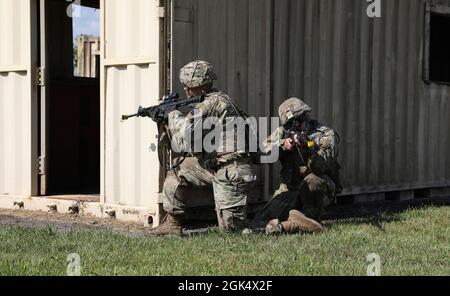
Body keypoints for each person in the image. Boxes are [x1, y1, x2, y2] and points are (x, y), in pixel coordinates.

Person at [148, 60, 257, 236]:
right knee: (179, 168)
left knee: (232, 234)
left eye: (187, 86)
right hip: (216, 166)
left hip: (232, 171)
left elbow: (185, 136)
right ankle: (173, 224)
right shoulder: (215, 101)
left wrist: (171, 115)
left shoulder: (210, 104)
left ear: (197, 85)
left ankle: (275, 226)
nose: (185, 91)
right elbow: (195, 141)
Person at [253, 97, 342, 235]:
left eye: (297, 123)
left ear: (306, 117)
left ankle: (308, 219)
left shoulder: (325, 135)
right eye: (289, 125)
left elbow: (320, 168)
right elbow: (258, 156)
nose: (294, 128)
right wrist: (281, 145)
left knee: (312, 180)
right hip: (290, 189)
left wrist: (306, 148)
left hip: (318, 188)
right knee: (262, 219)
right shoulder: (282, 133)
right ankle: (298, 220)